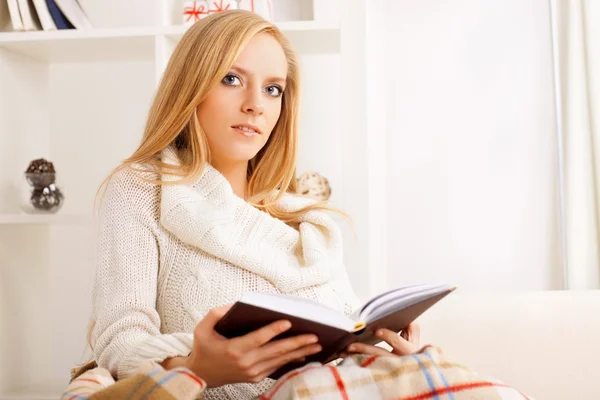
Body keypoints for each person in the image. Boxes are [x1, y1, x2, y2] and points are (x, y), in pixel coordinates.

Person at [86, 9, 528, 400]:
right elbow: (118, 344)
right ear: (192, 86)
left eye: (273, 89)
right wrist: (200, 368)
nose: (255, 105)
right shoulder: (142, 190)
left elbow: (344, 327)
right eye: (232, 79)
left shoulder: (306, 219)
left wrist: (381, 342)